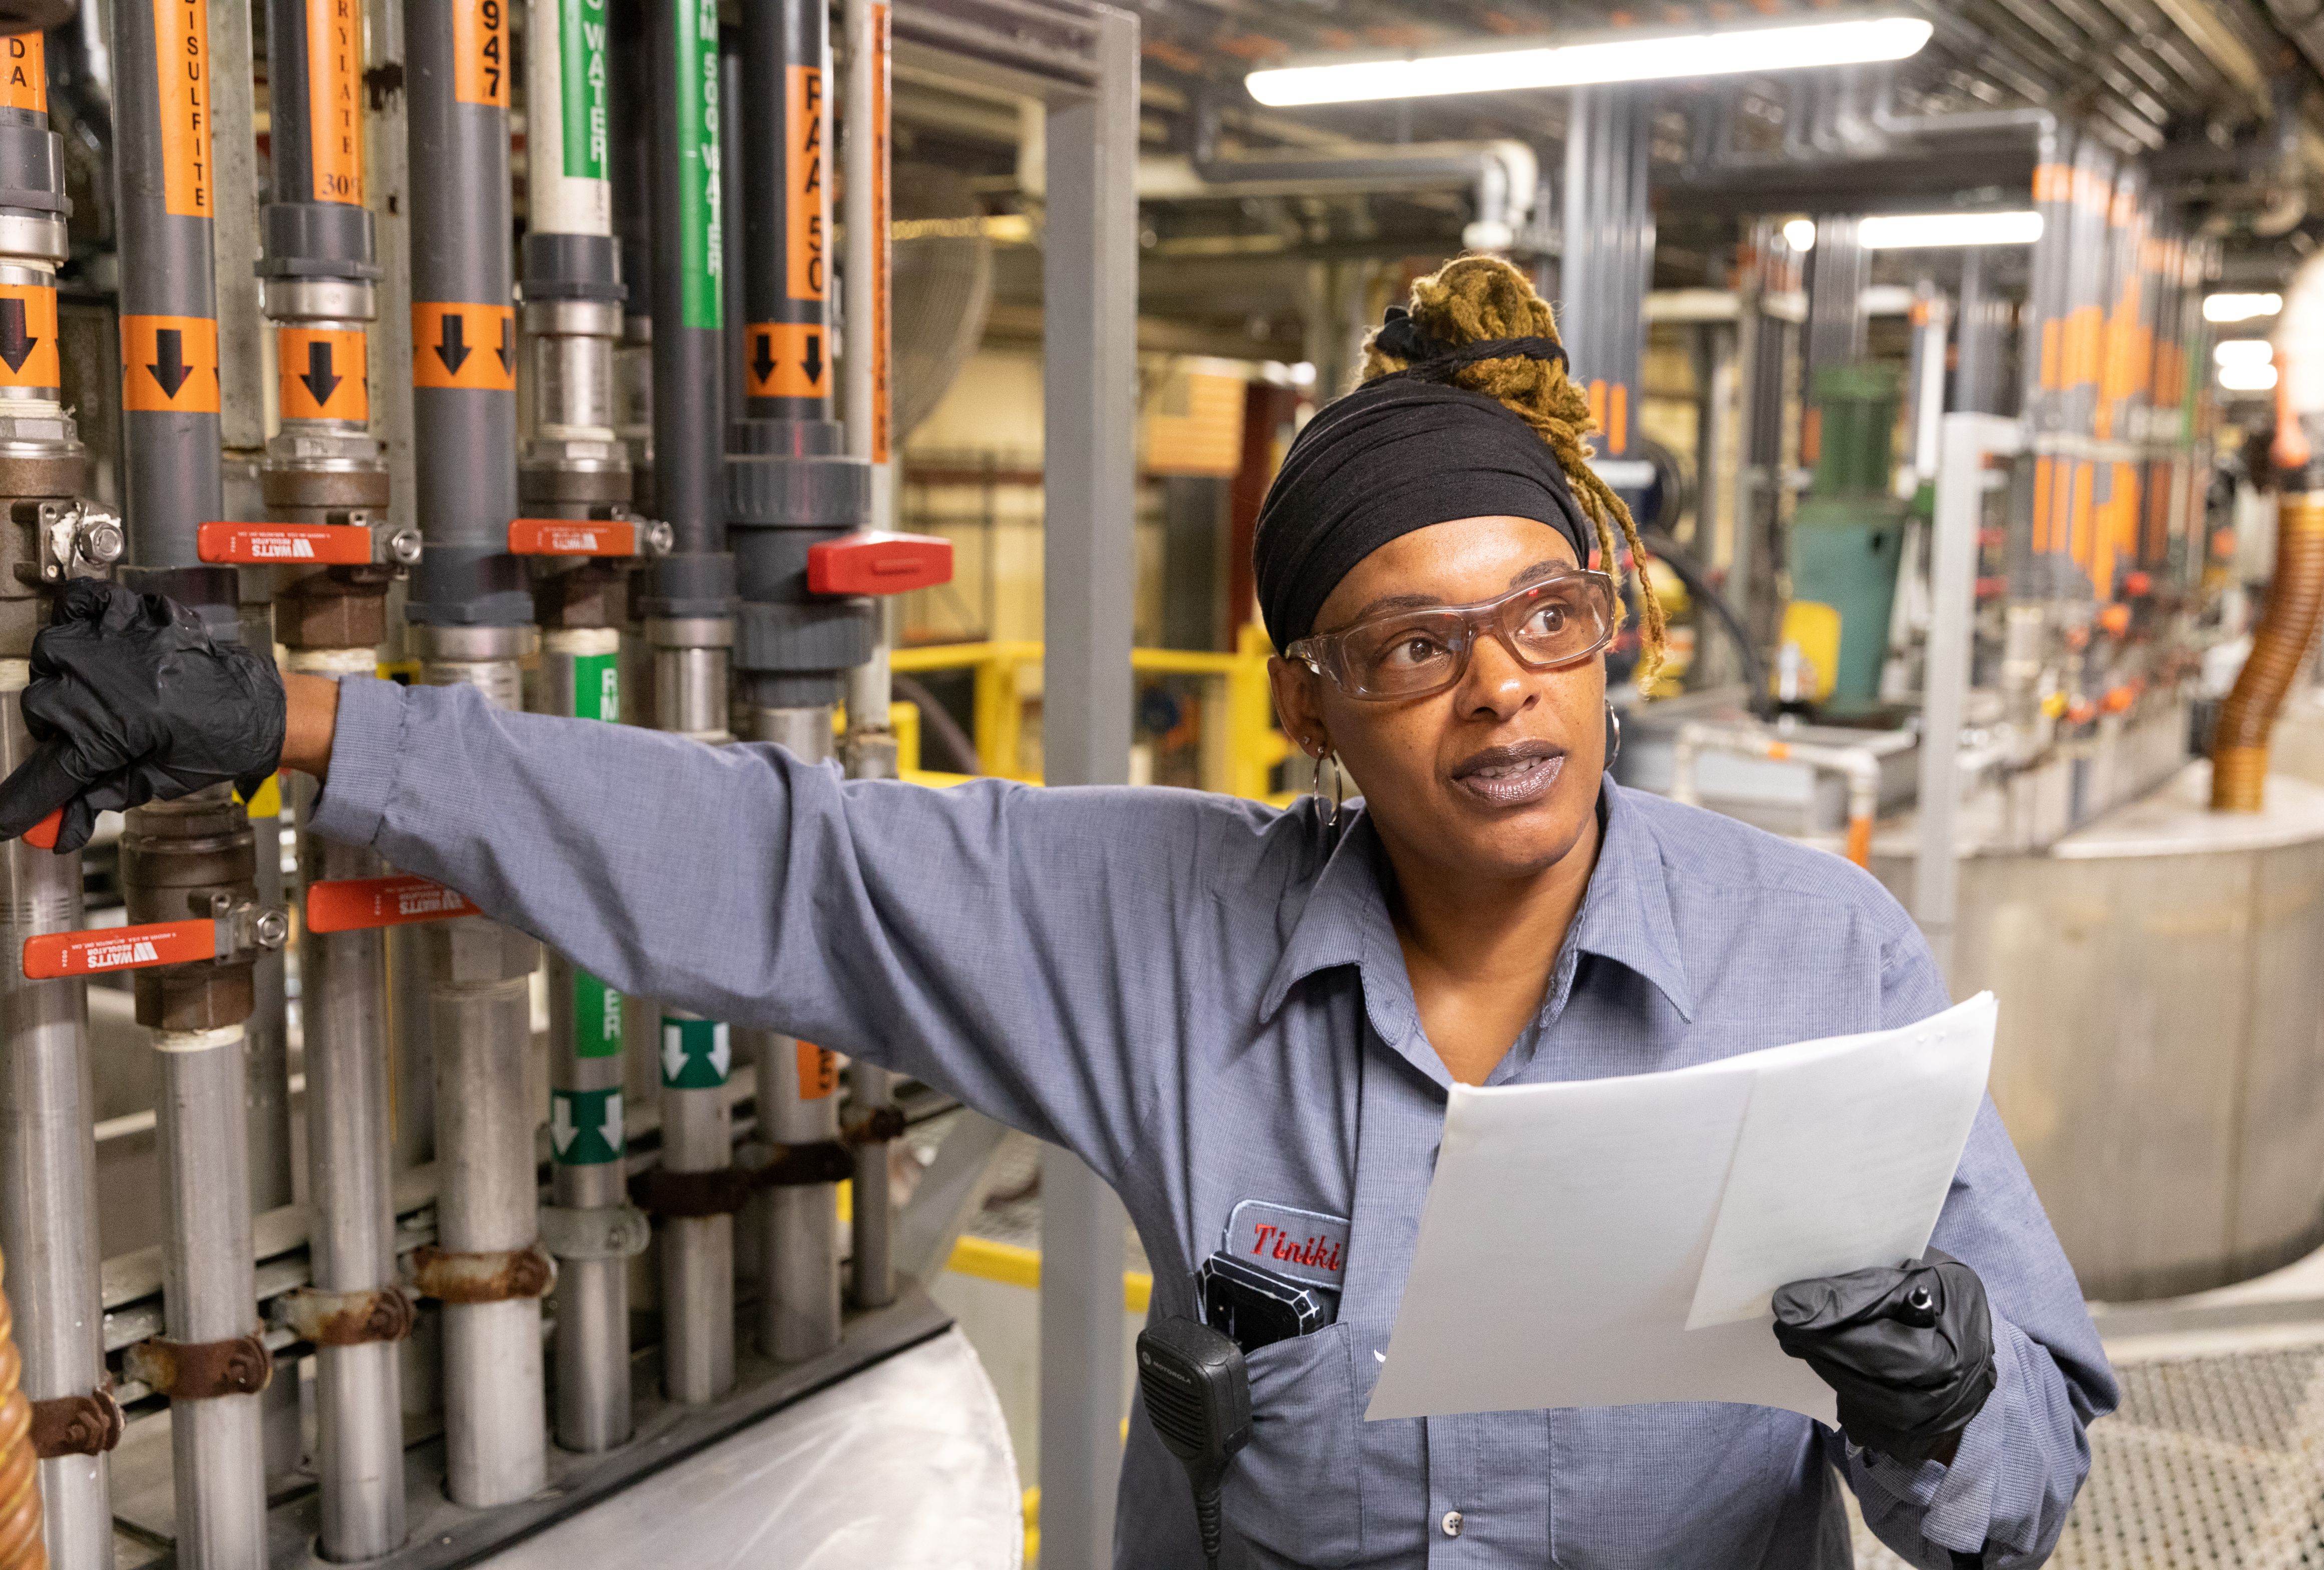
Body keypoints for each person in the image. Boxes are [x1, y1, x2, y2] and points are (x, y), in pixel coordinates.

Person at [0, 257, 2113, 1568]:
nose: (1496, 692)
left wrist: (1935, 1405)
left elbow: (2030, 1482)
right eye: (1407, 648)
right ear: (1307, 703)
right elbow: (774, 855)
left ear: (1608, 628)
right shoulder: (1167, 935)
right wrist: (286, 712)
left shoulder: (1818, 972)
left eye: (1544, 616)